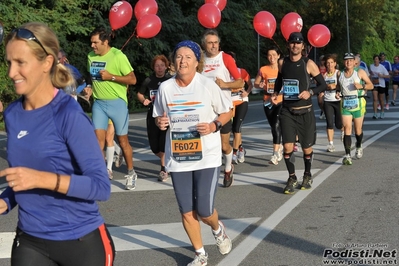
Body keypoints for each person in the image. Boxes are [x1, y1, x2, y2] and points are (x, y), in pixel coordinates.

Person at [1, 22, 115, 265]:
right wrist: (5, 200)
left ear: (47, 63)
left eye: (21, 62)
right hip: (30, 241)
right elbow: (23, 177)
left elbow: (100, 186)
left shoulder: (68, 114)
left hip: (81, 243)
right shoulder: (12, 114)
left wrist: (41, 179)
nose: (11, 73)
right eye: (9, 62)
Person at [153, 40, 233, 266]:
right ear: (173, 61)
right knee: (187, 211)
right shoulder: (165, 88)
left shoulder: (207, 85)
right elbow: (159, 117)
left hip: (206, 155)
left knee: (205, 211)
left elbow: (227, 112)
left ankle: (218, 230)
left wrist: (213, 126)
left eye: (188, 56)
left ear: (197, 62)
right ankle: (200, 254)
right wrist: (161, 122)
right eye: (179, 56)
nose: (183, 61)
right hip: (178, 157)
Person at [271, 32, 327, 194]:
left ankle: (308, 174)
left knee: (307, 148)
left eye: (298, 43)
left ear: (303, 46)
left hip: (305, 112)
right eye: (292, 43)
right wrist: (275, 93)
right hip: (287, 111)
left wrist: (311, 91)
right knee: (287, 146)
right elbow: (280, 80)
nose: (295, 45)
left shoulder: (308, 64)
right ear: (288, 45)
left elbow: (322, 84)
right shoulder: (282, 62)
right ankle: (292, 177)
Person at [85, 27, 138, 190]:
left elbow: (133, 79)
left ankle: (131, 172)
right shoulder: (90, 56)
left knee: (123, 142)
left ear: (105, 41)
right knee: (97, 142)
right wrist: (89, 87)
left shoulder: (118, 56)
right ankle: (100, 173)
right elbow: (91, 77)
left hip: (117, 104)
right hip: (99, 104)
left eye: (96, 42)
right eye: (92, 42)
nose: (92, 45)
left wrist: (111, 77)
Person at [201, 29, 244, 188]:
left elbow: (240, 82)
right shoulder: (199, 60)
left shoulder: (225, 58)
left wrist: (224, 84)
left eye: (216, 42)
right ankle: (207, 173)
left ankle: (227, 168)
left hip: (223, 110)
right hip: (204, 110)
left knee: (223, 145)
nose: (213, 46)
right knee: (205, 144)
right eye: (210, 43)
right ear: (204, 44)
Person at [137, 54, 172, 181]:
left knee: (163, 143)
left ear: (166, 66)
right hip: (152, 114)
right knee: (154, 146)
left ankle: (164, 169)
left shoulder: (170, 80)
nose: (160, 68)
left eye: (162, 65)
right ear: (154, 67)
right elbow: (140, 94)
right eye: (157, 66)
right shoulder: (148, 80)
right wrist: (143, 100)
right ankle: (168, 159)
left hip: (165, 115)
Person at [338, 53, 373, 165]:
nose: (348, 62)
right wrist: (337, 93)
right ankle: (348, 155)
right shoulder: (340, 74)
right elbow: (338, 88)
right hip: (346, 104)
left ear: (354, 62)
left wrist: (362, 86)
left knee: (358, 130)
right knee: (347, 128)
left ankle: (358, 146)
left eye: (350, 60)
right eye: (346, 60)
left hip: (358, 103)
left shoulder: (360, 72)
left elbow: (371, 85)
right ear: (344, 62)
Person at [254, 46, 284, 165]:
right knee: (273, 127)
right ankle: (279, 145)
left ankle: (275, 154)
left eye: (274, 55)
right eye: (269, 55)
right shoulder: (263, 69)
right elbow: (256, 83)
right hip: (267, 101)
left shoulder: (282, 69)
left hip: (280, 100)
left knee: (276, 124)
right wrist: (260, 85)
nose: (271, 57)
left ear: (278, 56)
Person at [224, 51, 253, 164]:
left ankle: (234, 153)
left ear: (234, 61)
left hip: (241, 101)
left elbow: (250, 84)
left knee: (237, 127)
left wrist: (247, 92)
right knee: (231, 129)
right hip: (229, 104)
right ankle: (241, 148)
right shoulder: (223, 73)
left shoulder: (242, 71)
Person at [322, 53, 343, 152]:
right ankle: (330, 144)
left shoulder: (338, 73)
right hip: (327, 101)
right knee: (329, 123)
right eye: (328, 63)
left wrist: (335, 87)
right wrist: (321, 93)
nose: (329, 65)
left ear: (335, 63)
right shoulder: (324, 75)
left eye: (331, 62)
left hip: (337, 100)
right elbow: (322, 87)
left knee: (339, 124)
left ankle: (343, 132)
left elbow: (342, 86)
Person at [369, 54, 390, 119]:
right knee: (375, 99)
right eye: (375, 59)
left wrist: (382, 76)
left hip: (381, 84)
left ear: (379, 60)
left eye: (377, 59)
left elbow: (388, 75)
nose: (376, 60)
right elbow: (369, 74)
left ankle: (382, 111)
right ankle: (375, 113)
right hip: (374, 84)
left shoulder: (382, 67)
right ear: (373, 60)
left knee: (381, 99)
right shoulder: (371, 66)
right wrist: (370, 75)